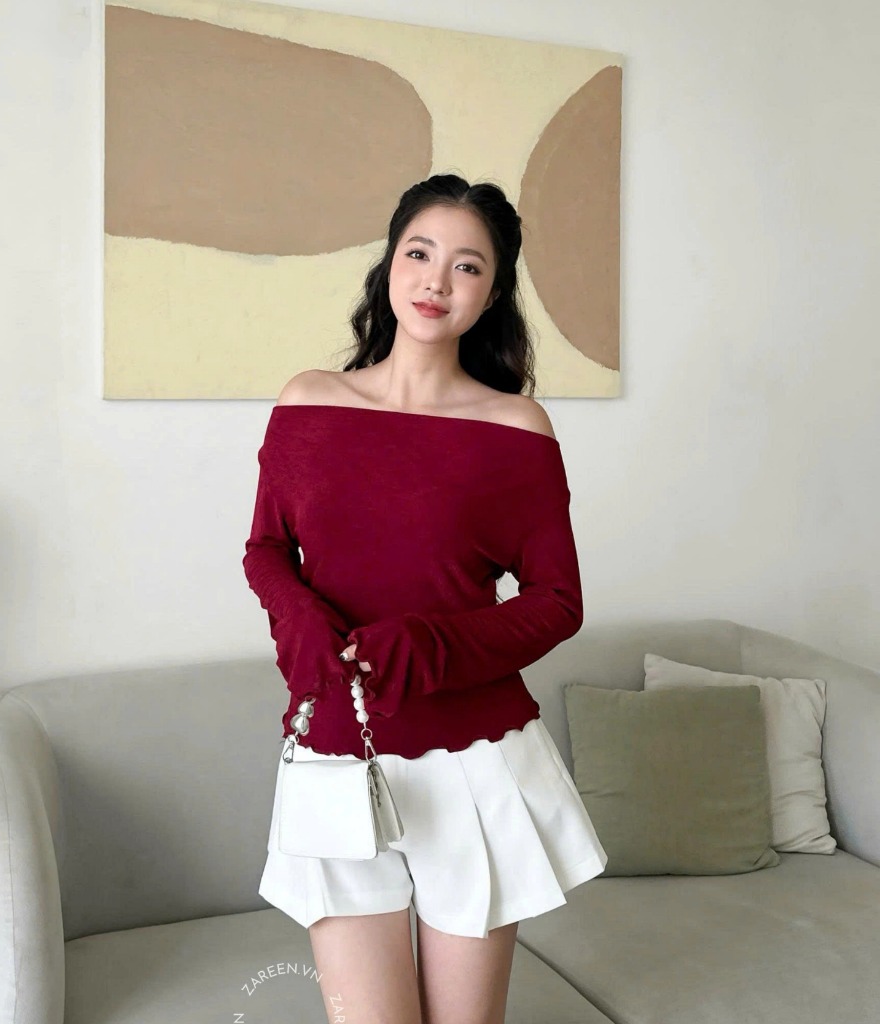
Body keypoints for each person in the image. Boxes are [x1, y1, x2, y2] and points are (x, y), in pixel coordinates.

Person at [242, 173, 607, 1024]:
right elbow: (266, 550)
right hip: (335, 752)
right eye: (420, 253)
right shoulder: (308, 403)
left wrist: (432, 645)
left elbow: (558, 599)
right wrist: (298, 618)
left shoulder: (516, 430)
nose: (437, 280)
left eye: (467, 266)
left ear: (492, 294)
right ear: (390, 264)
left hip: (476, 762)